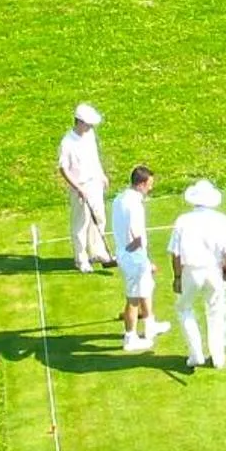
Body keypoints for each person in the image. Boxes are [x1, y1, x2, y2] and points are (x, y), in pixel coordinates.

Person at [168, 179, 226, 370]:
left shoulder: (183, 220)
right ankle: (217, 357)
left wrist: (177, 277)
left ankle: (196, 353)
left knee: (184, 308)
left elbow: (175, 254)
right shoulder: (221, 220)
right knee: (216, 310)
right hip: (214, 270)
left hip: (191, 270)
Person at [111, 165, 169, 353]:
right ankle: (130, 337)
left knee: (146, 289)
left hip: (127, 253)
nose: (151, 188)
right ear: (142, 184)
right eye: (149, 184)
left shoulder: (120, 198)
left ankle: (150, 325)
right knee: (133, 298)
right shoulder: (135, 205)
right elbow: (137, 237)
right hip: (133, 257)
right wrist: (144, 260)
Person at [57, 104, 113, 273]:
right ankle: (81, 259)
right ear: (79, 122)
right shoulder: (67, 142)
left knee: (99, 218)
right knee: (81, 224)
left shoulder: (90, 135)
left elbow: (94, 157)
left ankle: (98, 252)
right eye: (88, 124)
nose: (90, 128)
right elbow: (63, 168)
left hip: (95, 182)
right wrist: (78, 187)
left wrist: (101, 174)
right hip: (80, 186)